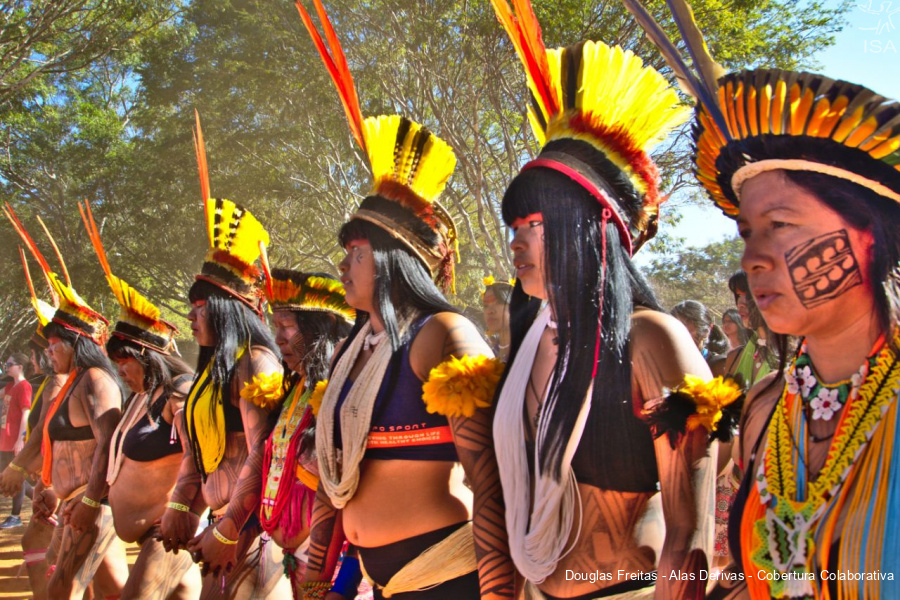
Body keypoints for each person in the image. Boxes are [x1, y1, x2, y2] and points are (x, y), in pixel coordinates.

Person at [624, 0, 900, 596]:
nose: (753, 258)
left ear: (870, 235)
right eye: (746, 232)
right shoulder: (767, 409)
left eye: (781, 224)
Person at [489, 1, 723, 597]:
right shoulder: (532, 340)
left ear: (590, 228)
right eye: (513, 226)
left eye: (533, 224)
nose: (516, 242)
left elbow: (688, 532)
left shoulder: (651, 339)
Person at [295, 3, 512, 598]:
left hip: (449, 573)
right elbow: (333, 475)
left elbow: (487, 481)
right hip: (375, 577)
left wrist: (499, 591)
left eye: (356, 253)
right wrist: (315, 565)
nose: (342, 266)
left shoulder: (443, 334)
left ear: (392, 262)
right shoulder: (353, 348)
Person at [159, 115, 290, 599]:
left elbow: (264, 453)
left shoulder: (256, 363)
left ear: (225, 311)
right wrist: (182, 503)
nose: (192, 319)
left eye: (200, 309)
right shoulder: (212, 375)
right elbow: (197, 447)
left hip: (255, 532)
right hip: (222, 525)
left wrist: (231, 525)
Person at [78, 200, 203, 599]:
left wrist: (181, 513)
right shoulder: (141, 396)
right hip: (148, 533)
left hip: (166, 531)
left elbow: (199, 456)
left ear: (147, 358)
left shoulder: (179, 392)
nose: (121, 372)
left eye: (125, 363)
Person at [4, 205, 129, 599]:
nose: (50, 350)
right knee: (113, 592)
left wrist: (89, 500)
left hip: (91, 509)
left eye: (56, 342)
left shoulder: (95, 381)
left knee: (65, 590)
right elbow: (56, 442)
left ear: (76, 343)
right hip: (72, 505)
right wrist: (52, 489)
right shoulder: (75, 381)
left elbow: (108, 445)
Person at [239, 269, 354, 597]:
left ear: (323, 327)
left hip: (333, 564)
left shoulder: (342, 386)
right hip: (295, 559)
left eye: (287, 326)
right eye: (276, 327)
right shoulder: (295, 388)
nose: (277, 339)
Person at [0, 351, 32, 528]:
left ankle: (15, 517)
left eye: (9, 364)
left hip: (14, 441)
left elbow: (26, 413)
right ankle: (42, 504)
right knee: (15, 478)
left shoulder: (24, 386)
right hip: (5, 439)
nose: (7, 366)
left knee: (15, 478)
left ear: (20, 367)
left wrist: (21, 439)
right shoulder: (10, 386)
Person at [671, 300, 730, 376]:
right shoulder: (665, 363)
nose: (677, 336)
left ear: (706, 332)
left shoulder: (719, 366)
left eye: (685, 331)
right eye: (673, 329)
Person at [482, 276, 513, 362]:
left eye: (498, 303)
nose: (489, 311)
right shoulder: (488, 353)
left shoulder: (529, 347)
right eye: (485, 306)